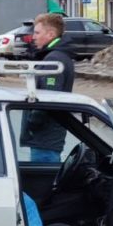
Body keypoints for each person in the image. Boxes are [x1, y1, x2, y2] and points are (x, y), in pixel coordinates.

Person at [20, 13, 75, 163]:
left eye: (37, 33)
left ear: (50, 34)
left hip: (44, 139)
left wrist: (32, 123)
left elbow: (48, 98)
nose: (33, 37)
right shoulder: (56, 57)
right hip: (48, 138)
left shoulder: (54, 60)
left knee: (41, 184)